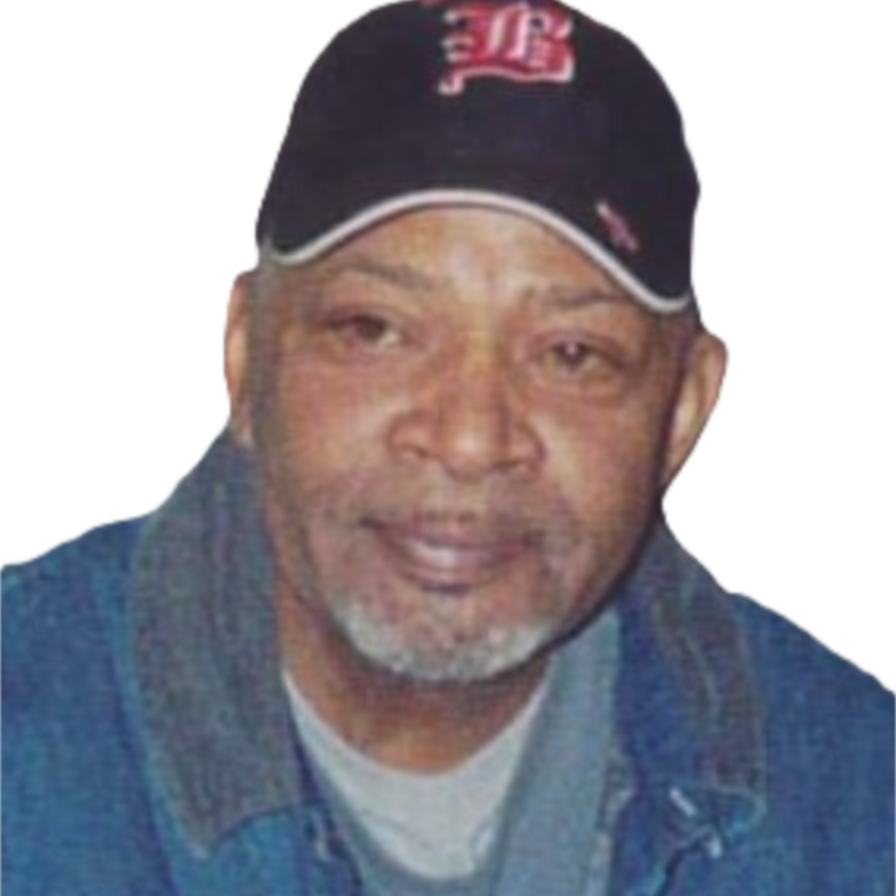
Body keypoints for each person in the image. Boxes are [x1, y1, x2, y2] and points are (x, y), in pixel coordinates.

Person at [2, 1, 894, 894]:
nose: (470, 439)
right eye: (375, 329)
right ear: (244, 354)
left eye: (571, 354)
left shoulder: (856, 807)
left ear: (685, 408)